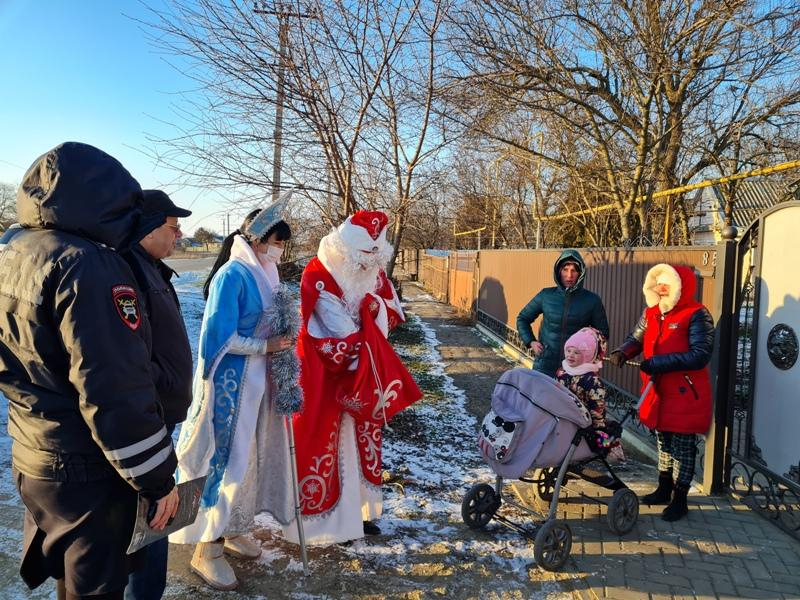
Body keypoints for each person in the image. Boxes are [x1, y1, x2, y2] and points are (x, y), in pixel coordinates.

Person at [0, 142, 179, 600]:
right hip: (85, 465)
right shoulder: (90, 265)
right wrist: (158, 480)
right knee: (96, 585)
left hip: (34, 450)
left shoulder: (13, 252)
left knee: (72, 578)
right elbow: (115, 389)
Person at [170, 200, 299, 591]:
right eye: (277, 242)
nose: (280, 250)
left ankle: (233, 527)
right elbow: (218, 339)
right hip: (231, 387)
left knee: (249, 461)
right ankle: (206, 547)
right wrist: (266, 346)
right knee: (225, 462)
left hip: (258, 386)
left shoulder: (265, 272)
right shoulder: (232, 275)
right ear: (258, 239)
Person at [285, 210, 422, 546]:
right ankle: (328, 524)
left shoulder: (372, 271)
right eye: (362, 260)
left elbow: (391, 308)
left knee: (360, 443)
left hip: (364, 371)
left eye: (374, 261)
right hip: (325, 378)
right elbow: (334, 330)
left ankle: (359, 515)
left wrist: (375, 312)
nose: (368, 268)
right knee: (328, 444)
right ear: (345, 250)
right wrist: (370, 330)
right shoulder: (318, 274)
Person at [121, 190, 194, 600]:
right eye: (173, 226)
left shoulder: (151, 268)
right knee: (153, 510)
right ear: (148, 227)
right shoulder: (128, 272)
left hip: (159, 415)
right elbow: (128, 361)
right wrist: (164, 384)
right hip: (145, 419)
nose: (179, 234)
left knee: (154, 515)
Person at [608, 263, 714, 522]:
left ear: (680, 286)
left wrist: (658, 363)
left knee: (683, 447)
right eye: (659, 283)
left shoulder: (697, 314)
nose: (661, 288)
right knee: (663, 442)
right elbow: (637, 337)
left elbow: (700, 355)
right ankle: (664, 488)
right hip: (658, 391)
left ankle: (680, 498)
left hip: (686, 392)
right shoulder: (652, 312)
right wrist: (623, 351)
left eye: (667, 283)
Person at [516, 249, 609, 377]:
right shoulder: (546, 295)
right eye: (565, 269)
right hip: (544, 366)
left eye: (574, 270)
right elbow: (522, 318)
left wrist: (585, 357)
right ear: (558, 271)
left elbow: (602, 335)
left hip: (575, 370)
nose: (569, 275)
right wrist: (531, 341)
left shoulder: (592, 300)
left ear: (580, 273)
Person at [555, 327, 607, 430]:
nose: (570, 355)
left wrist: (597, 428)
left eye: (576, 353)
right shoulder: (562, 372)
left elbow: (597, 406)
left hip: (582, 425)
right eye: (568, 350)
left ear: (587, 355)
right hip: (560, 418)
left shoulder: (592, 380)